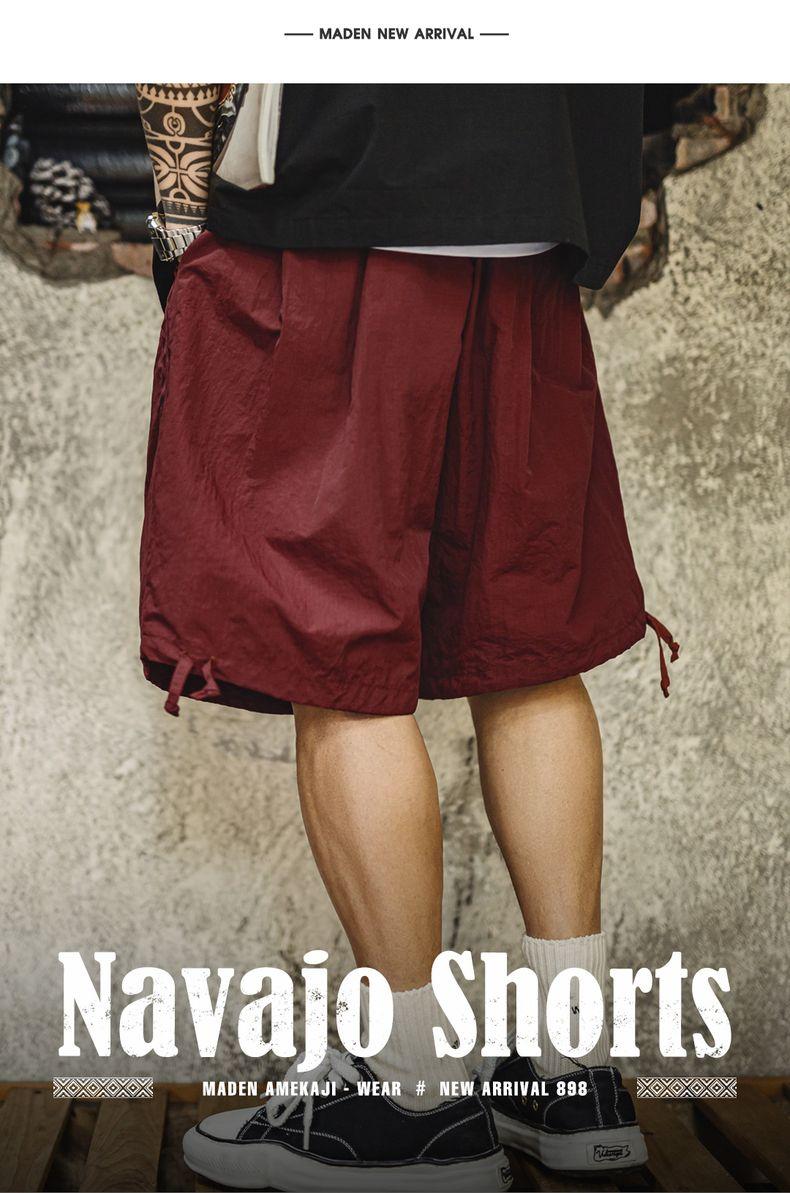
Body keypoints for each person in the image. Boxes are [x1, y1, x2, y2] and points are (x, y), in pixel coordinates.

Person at [136, 84, 679, 1191]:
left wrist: (181, 227)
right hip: (534, 205)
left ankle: (411, 1090)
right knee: (522, 638)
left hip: (343, 194)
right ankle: (574, 1071)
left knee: (331, 641)